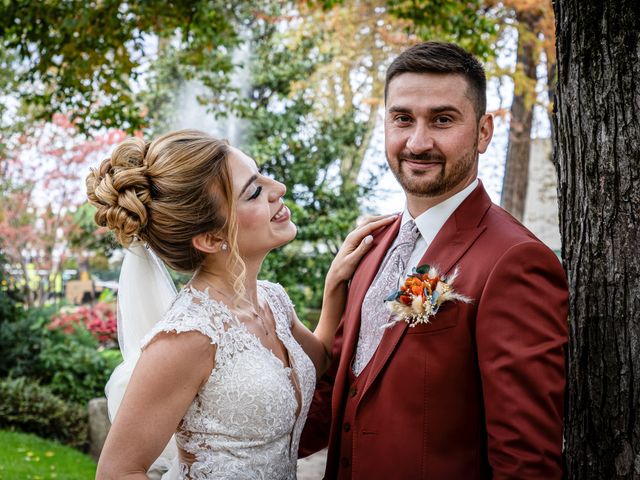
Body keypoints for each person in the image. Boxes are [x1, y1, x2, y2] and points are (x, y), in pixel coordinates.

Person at [299, 41, 569, 479]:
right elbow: (338, 399)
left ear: (484, 132)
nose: (418, 142)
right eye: (402, 119)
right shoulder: (371, 246)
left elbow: (526, 459)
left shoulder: (515, 261)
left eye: (442, 120)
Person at [86, 129, 395, 479]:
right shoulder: (188, 336)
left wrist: (335, 283)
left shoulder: (273, 300)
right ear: (210, 238)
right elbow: (117, 472)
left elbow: (320, 358)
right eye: (255, 192)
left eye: (262, 175)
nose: (278, 188)